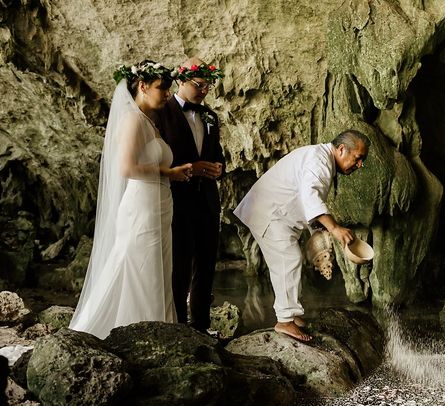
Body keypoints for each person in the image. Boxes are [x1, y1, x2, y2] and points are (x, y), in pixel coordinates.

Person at [70, 60, 193, 339]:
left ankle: (161, 328)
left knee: (158, 268)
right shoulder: (133, 120)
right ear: (142, 86)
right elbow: (126, 168)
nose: (165, 94)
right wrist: (168, 172)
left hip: (159, 204)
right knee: (140, 266)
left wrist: (172, 175)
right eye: (161, 88)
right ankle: (136, 332)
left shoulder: (150, 121)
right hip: (142, 206)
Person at [233, 130, 370, 341]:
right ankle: (284, 321)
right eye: (358, 158)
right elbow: (310, 196)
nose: (360, 164)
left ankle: (292, 316)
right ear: (342, 149)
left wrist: (320, 227)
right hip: (269, 213)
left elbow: (304, 197)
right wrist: (334, 228)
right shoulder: (319, 159)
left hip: (275, 214)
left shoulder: (320, 158)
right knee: (288, 260)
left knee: (290, 260)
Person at [155, 57, 225, 332]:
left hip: (207, 201)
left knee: (206, 265)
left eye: (209, 85)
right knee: (179, 266)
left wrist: (219, 169)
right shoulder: (162, 112)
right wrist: (190, 169)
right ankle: (179, 326)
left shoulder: (211, 116)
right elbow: (157, 160)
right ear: (181, 81)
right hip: (177, 200)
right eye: (199, 84)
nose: (205, 90)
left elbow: (216, 154)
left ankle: (201, 325)